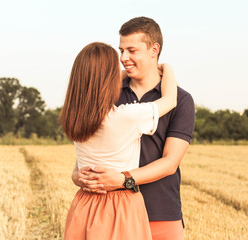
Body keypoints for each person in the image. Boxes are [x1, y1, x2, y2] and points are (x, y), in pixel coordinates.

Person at [73, 17, 195, 240]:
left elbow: (170, 162)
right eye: (121, 50)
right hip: (111, 212)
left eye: (131, 50)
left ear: (153, 50)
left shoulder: (183, 99)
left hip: (161, 212)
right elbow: (92, 151)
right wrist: (77, 175)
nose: (123, 58)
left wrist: (123, 179)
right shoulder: (106, 94)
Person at [59, 42, 177, 239]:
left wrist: (99, 74)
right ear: (109, 79)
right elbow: (170, 100)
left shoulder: (75, 118)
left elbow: (93, 82)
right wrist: (168, 69)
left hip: (84, 202)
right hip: (119, 204)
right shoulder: (125, 117)